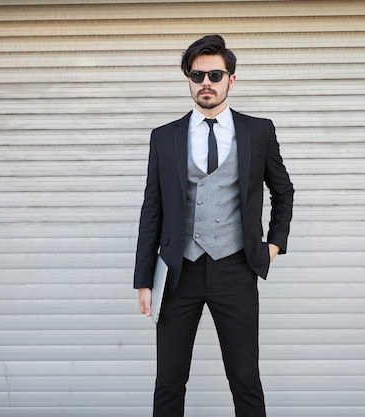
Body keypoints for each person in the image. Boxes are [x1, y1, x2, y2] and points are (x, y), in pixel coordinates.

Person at [133, 34, 294, 417]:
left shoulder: (259, 131)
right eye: (197, 74)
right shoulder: (164, 137)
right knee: (169, 382)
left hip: (236, 268)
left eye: (215, 74)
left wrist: (273, 245)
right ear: (188, 80)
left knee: (245, 379)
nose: (206, 82)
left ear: (231, 80)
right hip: (177, 271)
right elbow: (151, 208)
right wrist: (143, 278)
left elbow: (283, 191)